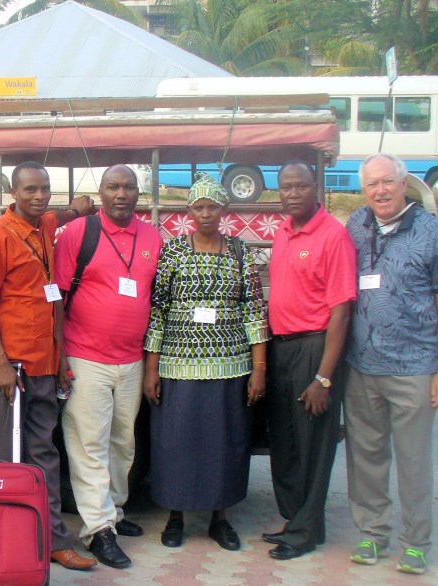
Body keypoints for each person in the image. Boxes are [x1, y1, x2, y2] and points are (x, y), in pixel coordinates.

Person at [0, 161, 98, 571]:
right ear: (13, 194)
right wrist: (3, 364)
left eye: (44, 190)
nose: (39, 197)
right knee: (3, 458)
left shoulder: (46, 224)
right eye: (30, 191)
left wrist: (58, 358)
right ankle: (3, 543)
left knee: (45, 455)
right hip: (8, 368)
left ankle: (50, 540)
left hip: (43, 363)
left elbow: (74, 209)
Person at [343, 153, 438, 575]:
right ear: (363, 189)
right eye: (372, 184)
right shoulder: (355, 226)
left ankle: (416, 542)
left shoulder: (431, 232)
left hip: (414, 367)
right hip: (361, 367)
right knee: (366, 458)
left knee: (413, 460)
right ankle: (373, 534)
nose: (381, 191)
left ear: (403, 182)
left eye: (388, 182)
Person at [142, 172, 269, 551]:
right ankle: (176, 516)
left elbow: (254, 311)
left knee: (224, 443)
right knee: (176, 442)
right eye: (199, 206)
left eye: (213, 205)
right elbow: (158, 309)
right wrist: (152, 367)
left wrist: (259, 368)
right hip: (178, 365)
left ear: (223, 208)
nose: (206, 212)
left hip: (230, 365)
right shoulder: (174, 252)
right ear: (189, 211)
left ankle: (220, 518)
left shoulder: (240, 252)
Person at [53, 164, 162, 569]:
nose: (122, 193)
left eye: (129, 187)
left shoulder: (152, 236)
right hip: (85, 357)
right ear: (100, 193)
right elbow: (58, 298)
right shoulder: (79, 233)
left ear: (139, 193)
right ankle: (97, 530)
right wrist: (60, 355)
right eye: (113, 186)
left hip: (131, 359)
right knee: (89, 445)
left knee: (123, 443)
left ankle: (113, 513)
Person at [263, 161, 357, 561]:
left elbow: (342, 312)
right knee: (284, 441)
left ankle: (304, 533)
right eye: (286, 187)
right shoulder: (284, 232)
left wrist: (323, 378)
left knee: (312, 444)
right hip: (281, 346)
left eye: (301, 186)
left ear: (316, 188)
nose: (293, 193)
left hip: (315, 348)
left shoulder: (333, 236)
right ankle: (295, 520)